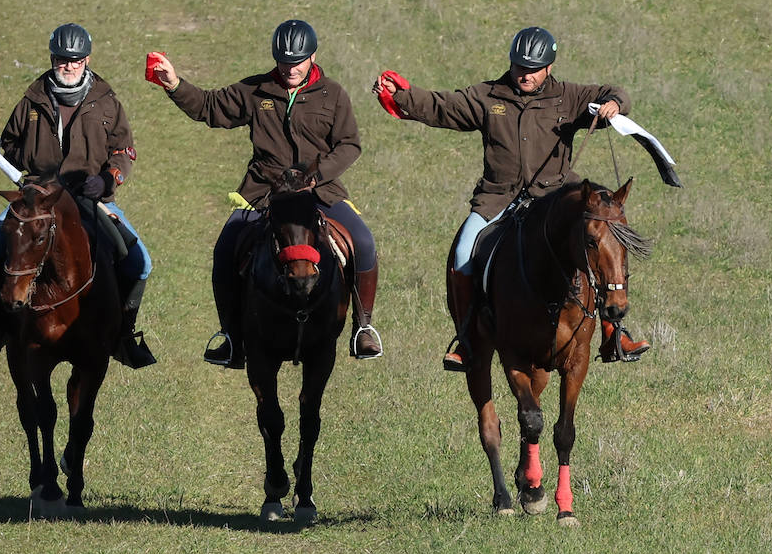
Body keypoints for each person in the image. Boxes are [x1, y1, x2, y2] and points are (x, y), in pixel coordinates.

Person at [373, 25, 650, 371]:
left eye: (533, 69)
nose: (525, 75)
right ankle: (467, 336)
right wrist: (401, 96)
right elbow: (441, 106)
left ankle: (613, 331)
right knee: (462, 252)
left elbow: (616, 91)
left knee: (601, 239)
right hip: (498, 199)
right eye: (520, 67)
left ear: (549, 67)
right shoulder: (488, 96)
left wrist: (614, 104)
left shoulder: (569, 97)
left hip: (555, 198)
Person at [148, 19, 383, 368]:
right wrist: (175, 84)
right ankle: (229, 336)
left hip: (320, 191)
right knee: (225, 247)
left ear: (313, 57)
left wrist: (317, 177)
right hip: (264, 191)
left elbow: (349, 145)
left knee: (363, 242)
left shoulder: (332, 94)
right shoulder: (256, 90)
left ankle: (363, 328)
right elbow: (210, 107)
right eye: (284, 61)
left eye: (297, 61)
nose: (290, 68)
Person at [0, 23, 156, 368]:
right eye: (61, 60)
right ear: (52, 59)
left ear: (87, 60)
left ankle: (124, 335)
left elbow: (124, 151)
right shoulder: (32, 100)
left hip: (90, 197)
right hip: (38, 199)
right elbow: (11, 148)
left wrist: (108, 179)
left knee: (140, 261)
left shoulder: (107, 102)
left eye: (75, 60)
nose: (68, 66)